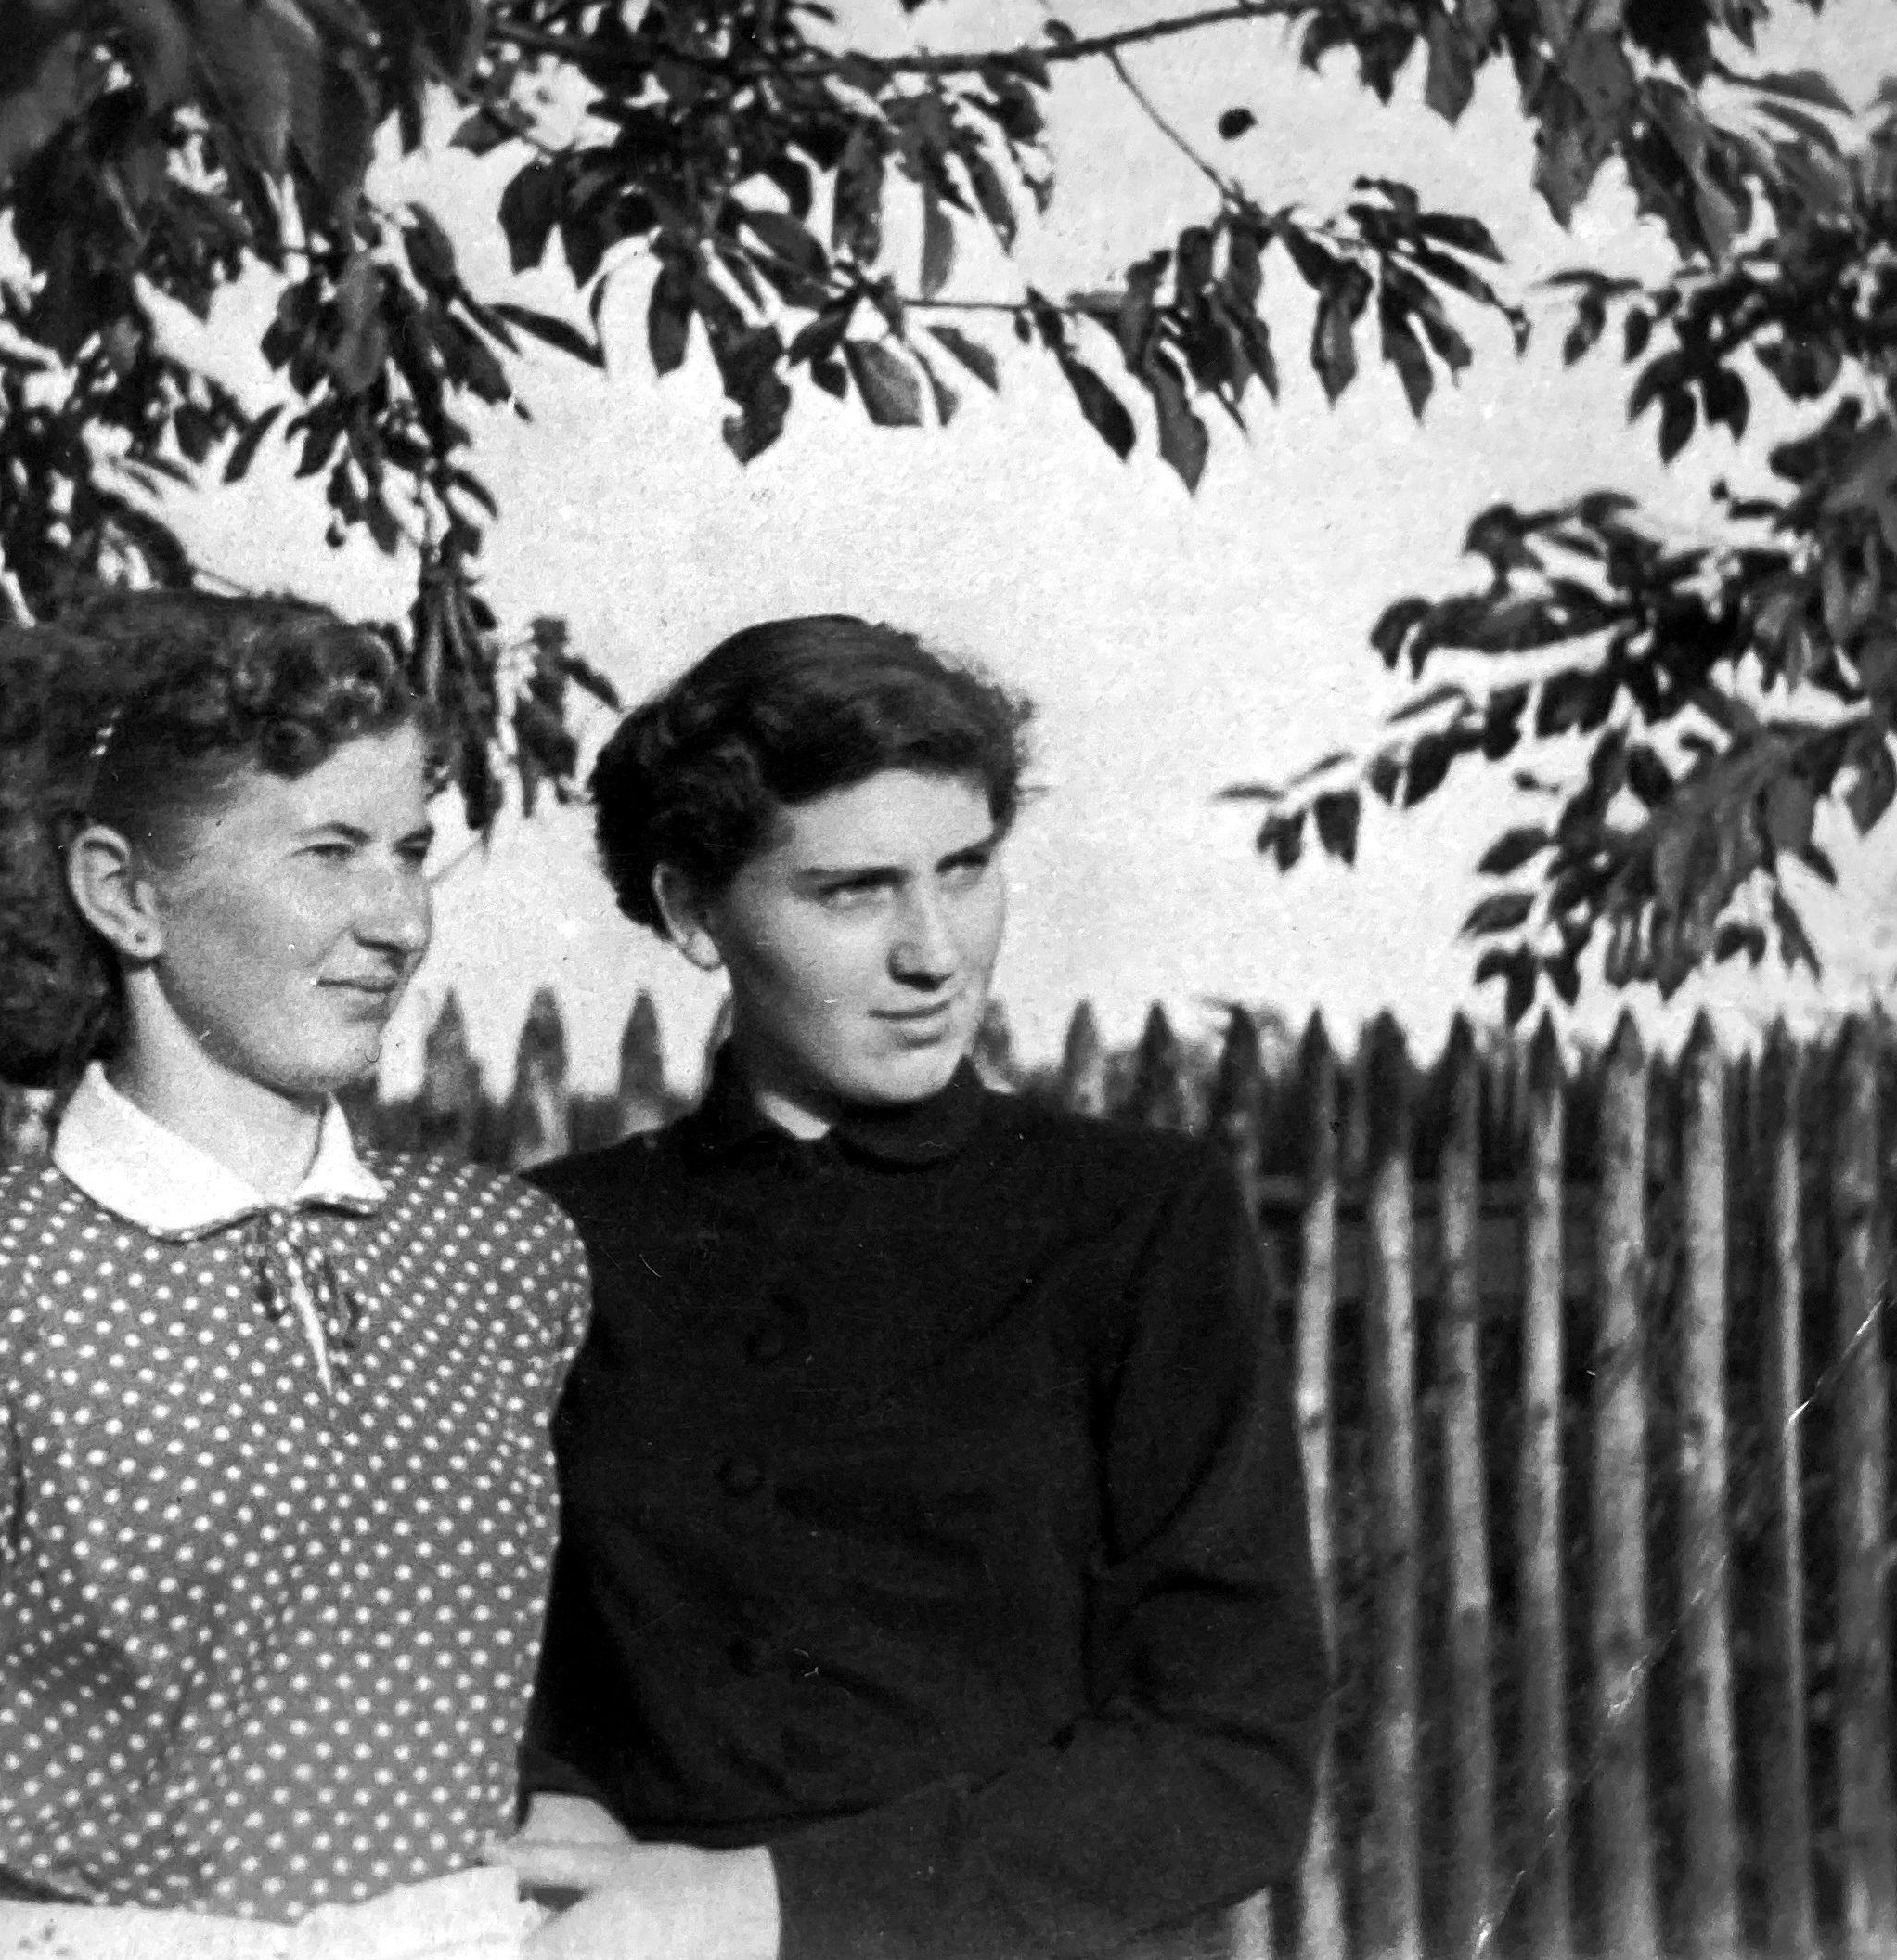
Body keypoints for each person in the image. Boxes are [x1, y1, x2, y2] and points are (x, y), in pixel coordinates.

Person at [0, 588, 588, 1960]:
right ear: (125, 893)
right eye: (328, 852)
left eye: (409, 851)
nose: (398, 919)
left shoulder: (499, 1256)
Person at [488, 616, 1328, 1960]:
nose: (935, 952)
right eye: (854, 891)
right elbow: (468, 1669)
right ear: (692, 912)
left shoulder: (1133, 1222)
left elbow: (1231, 1760)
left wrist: (757, 1901)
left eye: (967, 868)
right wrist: (552, 1797)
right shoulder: (553, 1243)